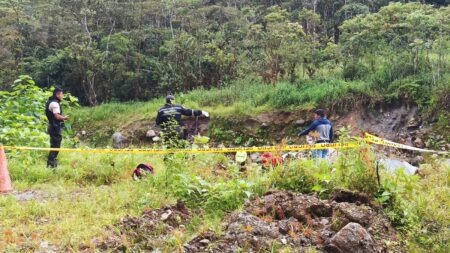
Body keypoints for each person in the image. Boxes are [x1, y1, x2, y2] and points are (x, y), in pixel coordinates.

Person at [45, 88, 69, 168]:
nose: (62, 96)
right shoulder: (55, 104)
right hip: (55, 128)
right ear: (57, 94)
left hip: (52, 127)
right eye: (61, 94)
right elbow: (57, 116)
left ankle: (51, 163)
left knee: (54, 146)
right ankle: (52, 164)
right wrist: (64, 118)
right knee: (56, 146)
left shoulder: (50, 102)